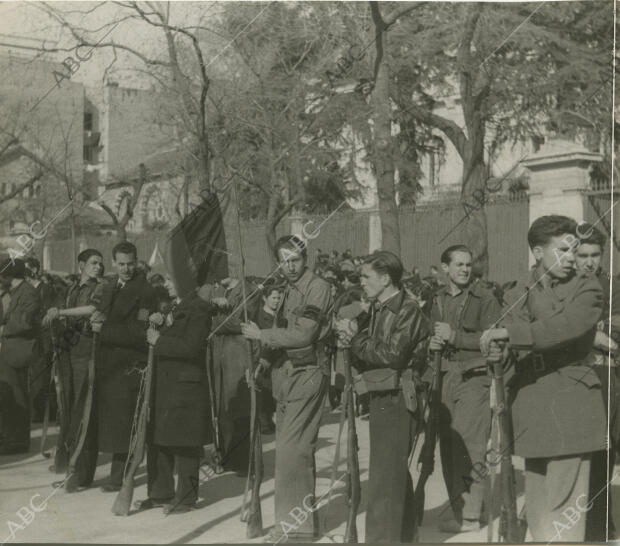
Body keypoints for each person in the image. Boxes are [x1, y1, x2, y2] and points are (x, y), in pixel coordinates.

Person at [481, 215, 606, 542]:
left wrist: (509, 332)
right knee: (537, 501)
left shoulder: (587, 286)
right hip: (531, 400)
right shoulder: (518, 289)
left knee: (565, 503)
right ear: (538, 252)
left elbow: (563, 328)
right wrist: (500, 353)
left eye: (575, 250)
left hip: (570, 401)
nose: (573, 258)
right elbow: (513, 345)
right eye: (563, 250)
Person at [241, 235, 332, 542]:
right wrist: (263, 363)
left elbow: (304, 334)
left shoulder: (316, 287)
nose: (290, 266)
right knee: (295, 452)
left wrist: (261, 334)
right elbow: (281, 335)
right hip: (285, 375)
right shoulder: (285, 289)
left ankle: (294, 531)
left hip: (307, 374)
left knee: (292, 454)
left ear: (306, 258)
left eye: (295, 259)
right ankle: (301, 525)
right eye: (284, 260)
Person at [335, 250, 429, 543]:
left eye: (366, 276)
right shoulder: (378, 307)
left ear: (386, 278)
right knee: (391, 472)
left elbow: (391, 355)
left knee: (383, 480)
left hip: (398, 397)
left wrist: (355, 339)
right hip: (383, 395)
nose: (361, 282)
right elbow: (370, 352)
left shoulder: (408, 310)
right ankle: (404, 536)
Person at [428, 244, 501, 533]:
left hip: (474, 376)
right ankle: (458, 508)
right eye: (458, 264)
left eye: (468, 264)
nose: (464, 269)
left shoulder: (486, 298)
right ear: (445, 268)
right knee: (448, 444)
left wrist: (455, 336)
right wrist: (431, 342)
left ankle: (471, 514)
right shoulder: (438, 298)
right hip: (445, 376)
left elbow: (493, 339)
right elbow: (431, 331)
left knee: (470, 445)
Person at [134, 285, 213, 514]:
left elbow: (192, 347)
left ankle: (186, 497)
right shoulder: (172, 305)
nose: (166, 282)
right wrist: (154, 325)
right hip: (165, 382)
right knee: (159, 438)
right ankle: (160, 492)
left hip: (185, 384)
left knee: (186, 441)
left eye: (171, 276)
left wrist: (159, 340)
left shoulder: (199, 308)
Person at [90, 242, 156, 492]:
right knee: (115, 422)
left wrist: (103, 329)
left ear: (137, 262)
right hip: (110, 365)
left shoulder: (146, 291)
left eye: (130, 264)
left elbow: (138, 333)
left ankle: (121, 477)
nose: (126, 269)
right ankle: (118, 474)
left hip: (129, 366)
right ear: (114, 263)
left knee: (126, 423)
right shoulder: (110, 287)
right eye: (121, 264)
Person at [43, 249, 103, 487]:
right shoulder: (72, 288)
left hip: (87, 355)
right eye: (92, 263)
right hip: (69, 353)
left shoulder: (100, 287)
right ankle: (69, 467)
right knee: (67, 410)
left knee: (83, 411)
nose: (97, 267)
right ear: (81, 265)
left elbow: (91, 310)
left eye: (100, 263)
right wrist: (54, 314)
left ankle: (80, 474)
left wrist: (61, 312)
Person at [574, 223, 618, 541]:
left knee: (604, 449)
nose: (590, 261)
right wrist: (593, 335)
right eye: (583, 255)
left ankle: (599, 522)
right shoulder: (565, 288)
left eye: (595, 254)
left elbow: (615, 335)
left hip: (604, 375)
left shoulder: (612, 287)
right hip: (570, 378)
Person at [209, 276, 259, 476]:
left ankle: (244, 460)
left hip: (237, 355)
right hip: (220, 355)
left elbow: (239, 323)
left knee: (239, 406)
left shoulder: (249, 290)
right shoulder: (218, 289)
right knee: (223, 408)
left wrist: (212, 319)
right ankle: (227, 455)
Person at [0, 258, 42, 454]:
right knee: (8, 398)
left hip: (19, 351)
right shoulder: (12, 292)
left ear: (8, 276)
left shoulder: (28, 292)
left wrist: (3, 329)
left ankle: (17, 441)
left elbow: (27, 321)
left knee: (17, 397)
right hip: (10, 350)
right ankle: (8, 436)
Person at [24, 257, 61, 423]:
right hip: (31, 341)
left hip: (43, 340)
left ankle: (43, 414)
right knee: (33, 378)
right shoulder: (25, 290)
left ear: (35, 270)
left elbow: (47, 316)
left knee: (42, 378)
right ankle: (37, 412)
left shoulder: (46, 289)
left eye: (27, 270)